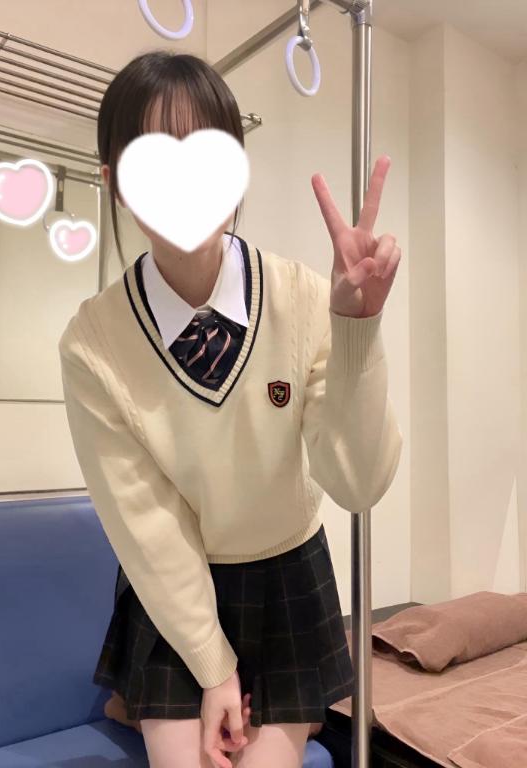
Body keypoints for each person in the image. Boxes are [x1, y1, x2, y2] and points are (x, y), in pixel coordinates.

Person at [58, 49, 403, 768]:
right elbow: (148, 524)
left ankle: (187, 710)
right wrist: (214, 668)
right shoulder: (94, 342)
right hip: (175, 593)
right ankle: (166, 699)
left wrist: (356, 330)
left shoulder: (303, 297)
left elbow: (357, 481)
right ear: (115, 182)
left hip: (286, 580)